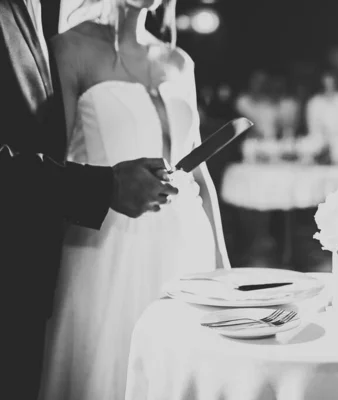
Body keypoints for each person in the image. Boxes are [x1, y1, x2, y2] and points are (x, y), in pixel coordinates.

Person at [38, 0, 231, 399]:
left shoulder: (179, 61)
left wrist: (223, 265)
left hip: (185, 248)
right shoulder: (70, 49)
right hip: (106, 246)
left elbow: (201, 174)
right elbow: (56, 163)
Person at [0, 1, 179, 398]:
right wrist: (104, 187)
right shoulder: (72, 45)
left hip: (166, 238)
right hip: (81, 244)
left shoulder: (44, 12)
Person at [306, 70, 338, 164]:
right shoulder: (314, 103)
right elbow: (313, 130)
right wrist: (322, 147)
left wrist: (336, 148)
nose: (329, 86)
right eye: (326, 83)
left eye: (331, 83)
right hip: (318, 147)